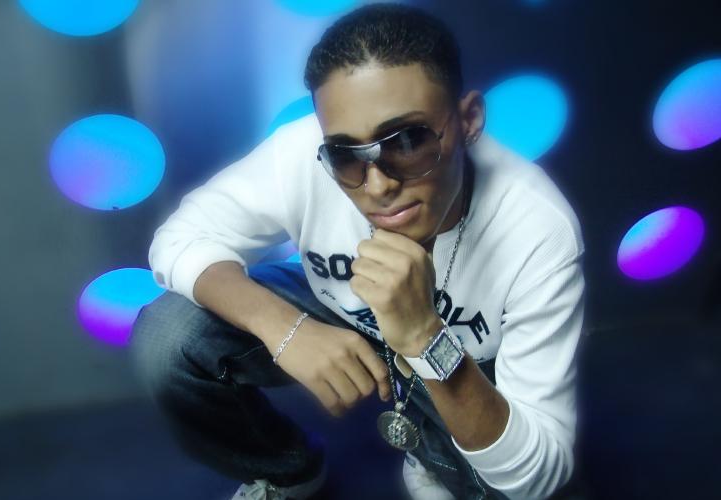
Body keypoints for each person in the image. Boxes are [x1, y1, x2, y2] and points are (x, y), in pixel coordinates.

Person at [129, 3, 585, 499]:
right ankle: (290, 472)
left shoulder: (537, 228)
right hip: (347, 313)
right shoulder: (302, 152)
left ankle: (435, 459)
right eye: (346, 155)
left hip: (462, 361)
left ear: (468, 120)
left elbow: (540, 473)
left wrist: (423, 336)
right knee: (171, 335)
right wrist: (285, 329)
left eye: (407, 141)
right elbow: (177, 239)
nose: (379, 185)